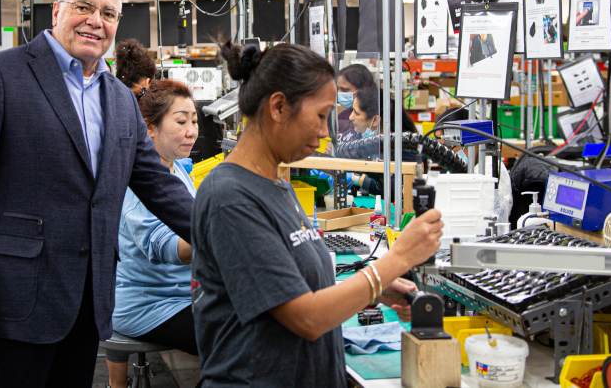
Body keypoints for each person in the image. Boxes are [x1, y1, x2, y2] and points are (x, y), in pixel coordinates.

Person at [0, 0, 194, 388]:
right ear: (56, 12)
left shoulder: (120, 99)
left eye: (108, 13)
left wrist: (230, 230)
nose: (95, 20)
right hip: (14, 303)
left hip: (87, 304)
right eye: (84, 7)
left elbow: (160, 189)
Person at [190, 40, 444, 387]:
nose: (326, 132)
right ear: (278, 107)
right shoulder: (230, 198)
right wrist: (395, 260)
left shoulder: (276, 184)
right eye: (321, 116)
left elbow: (289, 286)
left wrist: (374, 288)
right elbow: (305, 317)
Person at [105, 79, 199, 388]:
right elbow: (165, 247)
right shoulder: (139, 184)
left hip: (182, 296)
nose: (192, 130)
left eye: (194, 121)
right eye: (181, 121)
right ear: (149, 129)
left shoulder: (177, 167)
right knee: (237, 343)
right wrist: (222, 238)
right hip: (150, 305)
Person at [335, 64, 376, 136]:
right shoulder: (342, 116)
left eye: (345, 90)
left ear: (363, 88)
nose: (339, 94)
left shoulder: (376, 116)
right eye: (338, 89)